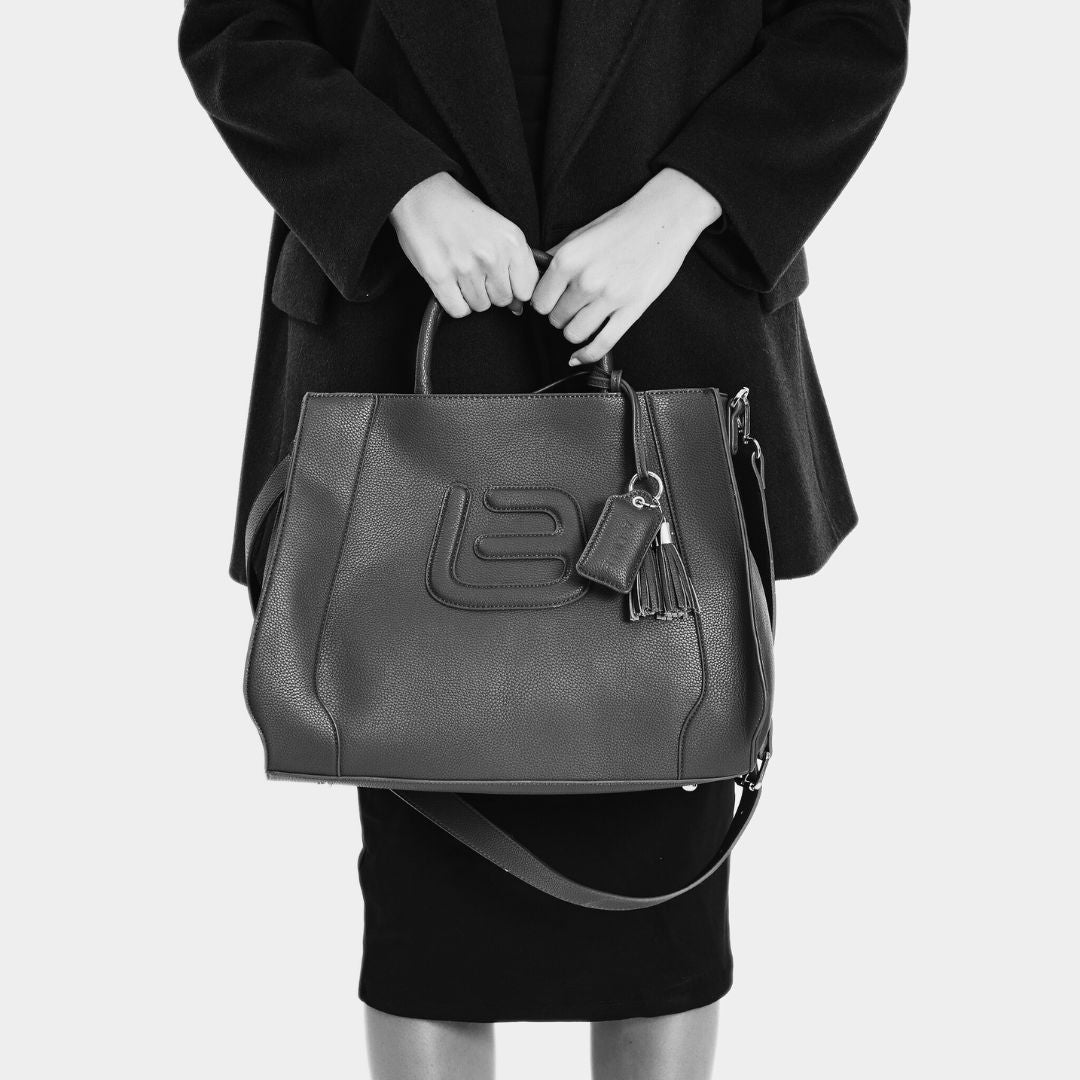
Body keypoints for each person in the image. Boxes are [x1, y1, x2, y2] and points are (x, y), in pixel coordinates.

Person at [178, 1, 908, 1076]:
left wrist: (686, 204)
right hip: (397, 321)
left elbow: (848, 28)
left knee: (667, 878)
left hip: (670, 329)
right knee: (425, 911)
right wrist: (395, 187)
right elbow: (238, 26)